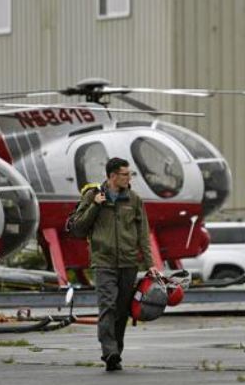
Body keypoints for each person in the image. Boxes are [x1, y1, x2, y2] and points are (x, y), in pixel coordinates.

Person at [68, 157, 158, 372]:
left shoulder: (134, 200)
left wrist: (150, 264)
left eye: (129, 174)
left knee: (122, 310)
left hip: (128, 262)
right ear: (112, 176)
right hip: (103, 262)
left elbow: (143, 235)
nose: (129, 178)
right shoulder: (93, 196)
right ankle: (109, 352)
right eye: (125, 174)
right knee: (107, 306)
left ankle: (116, 350)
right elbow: (78, 228)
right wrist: (95, 206)